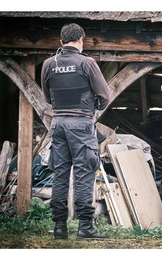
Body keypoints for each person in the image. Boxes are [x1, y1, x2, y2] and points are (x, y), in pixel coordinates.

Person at [41, 23, 111, 240]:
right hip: (81, 124)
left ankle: (60, 227)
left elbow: (46, 98)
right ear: (81, 38)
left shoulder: (47, 64)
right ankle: (85, 227)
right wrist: (93, 110)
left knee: (60, 174)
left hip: (58, 123)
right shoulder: (87, 63)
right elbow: (105, 95)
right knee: (84, 174)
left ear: (61, 41)